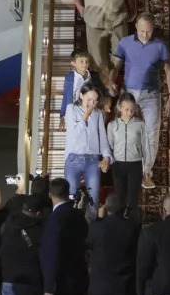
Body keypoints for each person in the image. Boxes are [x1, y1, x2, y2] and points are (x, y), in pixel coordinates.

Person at [108, 13, 170, 190]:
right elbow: (116, 65)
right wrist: (110, 83)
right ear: (136, 27)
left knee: (152, 134)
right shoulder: (125, 42)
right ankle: (120, 165)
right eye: (143, 31)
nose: (146, 35)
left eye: (149, 31)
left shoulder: (160, 45)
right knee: (122, 129)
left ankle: (146, 172)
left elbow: (168, 71)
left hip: (152, 95)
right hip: (129, 93)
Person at [63, 83, 113, 217]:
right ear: (81, 96)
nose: (93, 103)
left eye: (95, 100)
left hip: (92, 160)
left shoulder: (98, 114)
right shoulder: (71, 109)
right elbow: (75, 133)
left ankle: (91, 231)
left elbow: (102, 137)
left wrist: (106, 157)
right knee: (71, 196)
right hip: (74, 158)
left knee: (93, 199)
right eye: (89, 99)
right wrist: (86, 114)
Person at [107, 92, 149, 221]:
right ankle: (119, 224)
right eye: (126, 110)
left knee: (132, 198)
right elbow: (109, 146)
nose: (129, 113)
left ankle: (133, 225)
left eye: (132, 110)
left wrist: (147, 168)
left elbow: (145, 147)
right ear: (119, 108)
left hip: (135, 164)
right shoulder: (112, 125)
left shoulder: (140, 124)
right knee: (120, 197)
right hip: (118, 165)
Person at [60, 50, 106, 131]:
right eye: (81, 61)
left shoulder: (93, 76)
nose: (85, 64)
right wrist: (62, 115)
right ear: (73, 63)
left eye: (86, 62)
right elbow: (66, 96)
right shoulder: (69, 78)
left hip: (91, 109)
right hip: (75, 110)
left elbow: (101, 91)